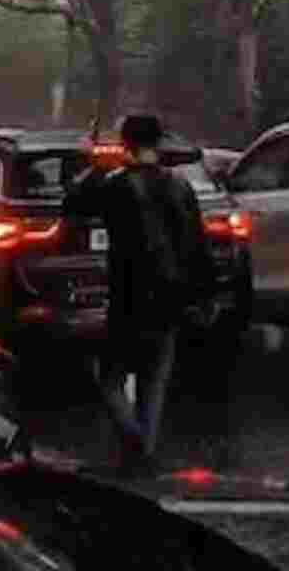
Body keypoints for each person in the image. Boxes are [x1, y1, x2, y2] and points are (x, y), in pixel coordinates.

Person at [93, 114, 213, 474]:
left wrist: (94, 166)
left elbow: (76, 205)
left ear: (126, 142)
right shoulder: (180, 187)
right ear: (159, 142)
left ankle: (134, 444)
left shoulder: (115, 185)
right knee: (154, 380)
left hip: (128, 295)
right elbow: (197, 244)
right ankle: (145, 451)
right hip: (171, 295)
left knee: (110, 378)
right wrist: (203, 295)